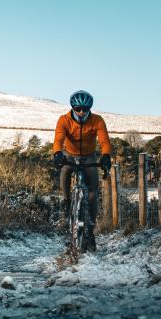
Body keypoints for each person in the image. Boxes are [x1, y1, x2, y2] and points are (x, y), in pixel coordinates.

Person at [52, 90, 112, 252]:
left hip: (89, 157)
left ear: (89, 108)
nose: (81, 112)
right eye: (78, 108)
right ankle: (66, 201)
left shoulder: (97, 120)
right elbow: (58, 138)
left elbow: (105, 140)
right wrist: (57, 153)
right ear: (73, 107)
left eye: (85, 109)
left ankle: (90, 233)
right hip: (69, 155)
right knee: (64, 171)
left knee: (92, 194)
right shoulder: (64, 120)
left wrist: (106, 155)